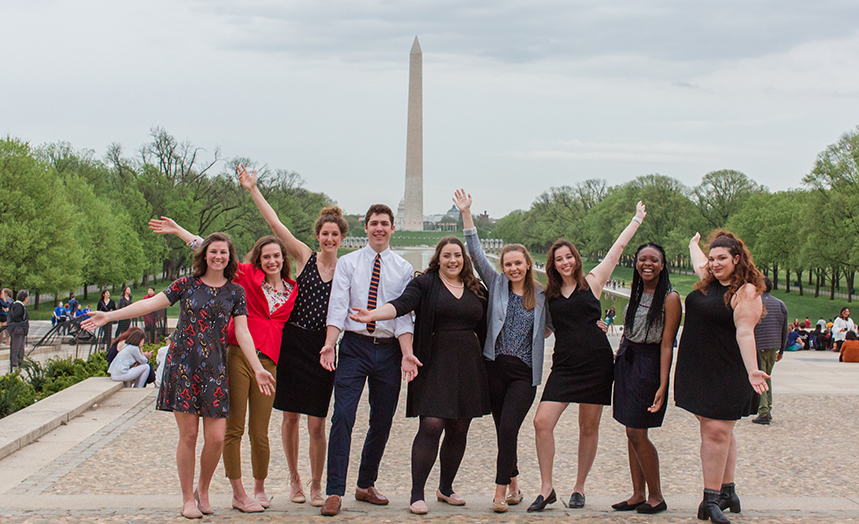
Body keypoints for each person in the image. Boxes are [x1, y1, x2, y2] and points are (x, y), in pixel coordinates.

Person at [82, 232, 275, 519]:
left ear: (230, 257)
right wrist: (110, 316)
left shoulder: (235, 292)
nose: (218, 257)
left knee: (217, 437)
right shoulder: (186, 284)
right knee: (189, 435)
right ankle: (187, 498)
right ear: (204, 255)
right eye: (213, 252)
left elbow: (243, 332)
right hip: (183, 366)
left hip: (215, 369)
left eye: (223, 252)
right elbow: (150, 305)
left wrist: (257, 367)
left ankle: (203, 489)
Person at [149, 211, 297, 514]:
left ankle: (253, 488)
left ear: (284, 259)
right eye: (266, 256)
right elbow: (212, 250)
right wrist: (179, 231)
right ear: (258, 259)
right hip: (229, 357)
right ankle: (231, 492)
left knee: (256, 430)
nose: (272, 261)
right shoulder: (244, 278)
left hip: (266, 359)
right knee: (228, 430)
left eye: (277, 256)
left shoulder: (292, 288)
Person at [349, 237, 490, 515]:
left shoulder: (477, 288)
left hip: (468, 364)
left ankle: (446, 488)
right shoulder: (425, 284)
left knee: (459, 427)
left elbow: (490, 324)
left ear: (464, 259)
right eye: (447, 255)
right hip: (433, 361)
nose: (453, 260)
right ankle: (417, 494)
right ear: (438, 258)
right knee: (432, 425)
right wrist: (374, 314)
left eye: (457, 255)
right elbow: (401, 304)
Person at [237, 164, 346, 507]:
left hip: (323, 348)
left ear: (342, 237)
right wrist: (253, 189)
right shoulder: (304, 257)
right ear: (318, 236)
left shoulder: (347, 269)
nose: (329, 239)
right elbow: (275, 226)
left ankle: (316, 483)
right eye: (325, 234)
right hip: (294, 343)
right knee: (290, 417)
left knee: (318, 422)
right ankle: (295, 481)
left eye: (335, 235)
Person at [530, 202, 647, 513]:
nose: (565, 262)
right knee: (542, 422)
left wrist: (636, 218)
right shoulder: (547, 294)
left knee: (588, 426)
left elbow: (617, 248)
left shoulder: (593, 282)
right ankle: (546, 487)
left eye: (569, 257)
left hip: (596, 363)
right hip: (565, 365)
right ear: (551, 264)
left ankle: (579, 487)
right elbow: (543, 331)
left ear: (576, 259)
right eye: (559, 259)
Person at [455, 189, 551, 513]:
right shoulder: (496, 284)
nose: (513, 268)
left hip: (524, 373)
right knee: (502, 430)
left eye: (518, 264)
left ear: (527, 264)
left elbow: (556, 324)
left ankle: (499, 494)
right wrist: (467, 213)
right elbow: (475, 250)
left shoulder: (541, 294)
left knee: (509, 427)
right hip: (493, 369)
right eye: (508, 264)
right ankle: (515, 485)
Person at [319, 204, 417, 517]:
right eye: (374, 223)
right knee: (343, 416)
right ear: (366, 227)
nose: (379, 228)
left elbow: (402, 316)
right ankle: (334, 490)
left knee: (382, 419)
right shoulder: (348, 263)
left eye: (384, 224)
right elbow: (338, 306)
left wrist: (406, 353)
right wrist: (329, 344)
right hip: (354, 347)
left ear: (392, 228)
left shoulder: (402, 267)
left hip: (388, 349)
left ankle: (365, 482)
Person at [674, 231, 770, 524]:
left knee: (715, 432)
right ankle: (727, 492)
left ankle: (711, 499)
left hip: (726, 369)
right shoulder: (709, 279)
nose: (714, 264)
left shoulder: (747, 292)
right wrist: (692, 244)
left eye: (721, 259)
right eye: (712, 258)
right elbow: (699, 261)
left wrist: (753, 369)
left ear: (737, 259)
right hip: (697, 367)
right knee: (720, 431)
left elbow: (744, 332)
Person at [610, 242, 681, 515]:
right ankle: (638, 493)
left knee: (637, 431)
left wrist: (663, 384)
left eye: (653, 260)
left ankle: (656, 496)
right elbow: (629, 331)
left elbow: (666, 344)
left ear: (663, 265)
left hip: (649, 363)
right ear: (635, 263)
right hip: (628, 360)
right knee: (630, 431)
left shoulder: (670, 298)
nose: (647, 264)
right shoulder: (637, 291)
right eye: (642, 259)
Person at [752, 278, 788, 425]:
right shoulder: (780, 304)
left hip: (759, 344)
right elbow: (784, 329)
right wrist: (782, 350)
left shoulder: (754, 303)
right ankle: (768, 408)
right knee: (767, 376)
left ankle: (763, 411)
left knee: (760, 377)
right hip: (774, 345)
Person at [8, 290, 30, 371]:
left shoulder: (20, 305)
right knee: (16, 346)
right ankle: (15, 361)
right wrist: (22, 324)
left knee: (21, 346)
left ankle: (20, 360)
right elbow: (17, 317)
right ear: (25, 298)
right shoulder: (17, 306)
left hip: (21, 329)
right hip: (18, 329)